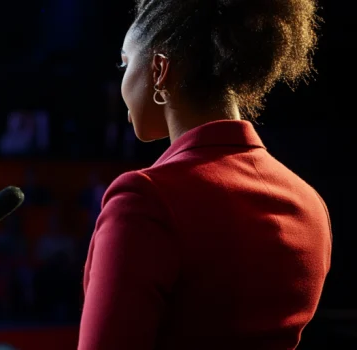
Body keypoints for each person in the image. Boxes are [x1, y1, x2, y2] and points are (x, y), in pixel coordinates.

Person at [78, 1, 330, 349]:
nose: (120, 80)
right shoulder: (310, 205)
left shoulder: (145, 200)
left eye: (125, 62)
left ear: (159, 69)